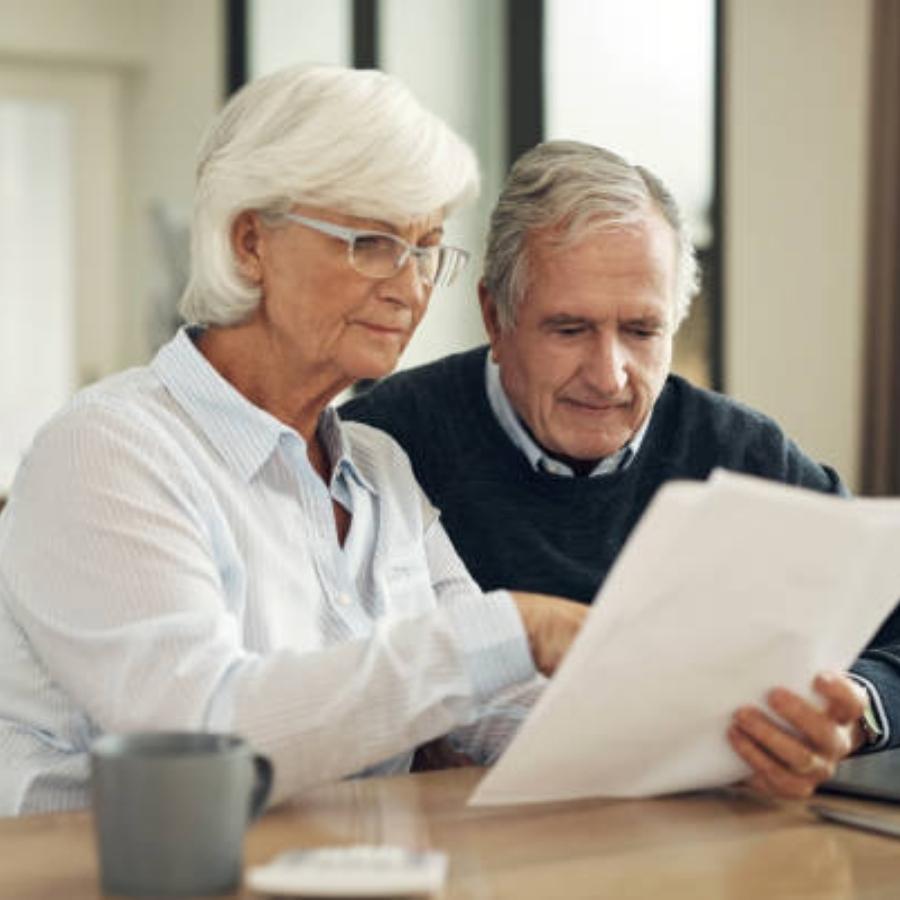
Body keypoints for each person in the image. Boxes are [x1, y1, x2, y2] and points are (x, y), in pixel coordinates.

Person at [0, 66, 588, 816]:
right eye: (372, 242)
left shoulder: (379, 468)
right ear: (251, 242)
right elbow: (202, 741)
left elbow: (494, 705)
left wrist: (715, 725)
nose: (408, 289)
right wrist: (516, 624)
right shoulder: (107, 453)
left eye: (427, 247)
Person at [342, 140, 900, 798]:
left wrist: (854, 714)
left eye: (641, 331)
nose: (608, 377)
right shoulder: (385, 445)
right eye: (570, 329)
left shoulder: (745, 454)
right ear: (495, 314)